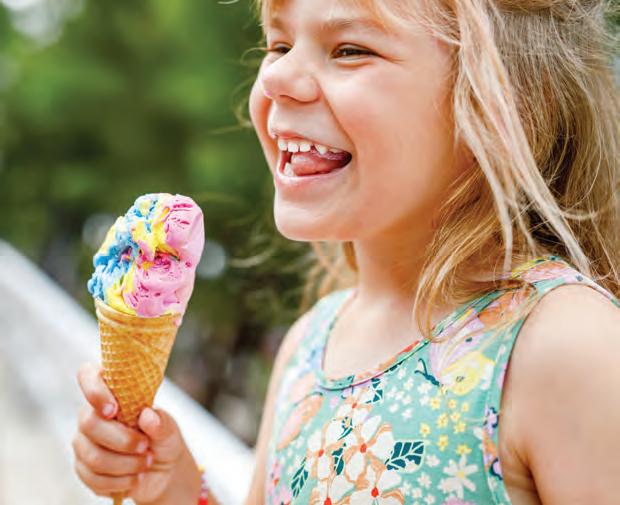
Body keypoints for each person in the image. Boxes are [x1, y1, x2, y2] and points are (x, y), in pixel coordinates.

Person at [72, 0, 620, 503]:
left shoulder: (566, 347)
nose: (276, 76)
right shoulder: (309, 344)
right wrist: (171, 487)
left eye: (350, 49)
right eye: (279, 45)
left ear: (509, 102)